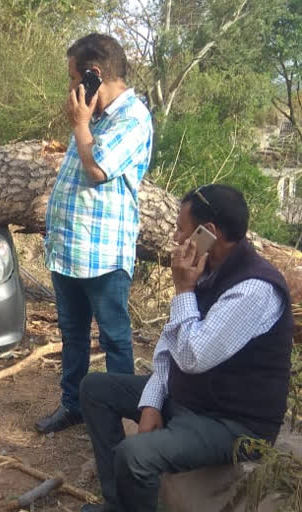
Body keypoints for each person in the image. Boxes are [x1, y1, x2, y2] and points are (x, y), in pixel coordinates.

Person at [79, 184, 294, 512]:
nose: (176, 239)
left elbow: (194, 357)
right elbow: (170, 344)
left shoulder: (254, 289)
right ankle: (117, 505)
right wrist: (151, 403)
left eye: (181, 230)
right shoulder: (209, 270)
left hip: (232, 423)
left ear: (208, 232)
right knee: (95, 388)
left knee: (135, 456)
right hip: (194, 400)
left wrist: (183, 290)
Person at [36, 33, 154, 434]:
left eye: (74, 78)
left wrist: (81, 124)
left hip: (103, 256)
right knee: (72, 336)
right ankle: (74, 406)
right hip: (69, 251)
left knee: (115, 340)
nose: (72, 88)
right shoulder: (95, 116)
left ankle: (121, 420)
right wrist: (84, 122)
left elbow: (98, 169)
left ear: (94, 73)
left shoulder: (133, 118)